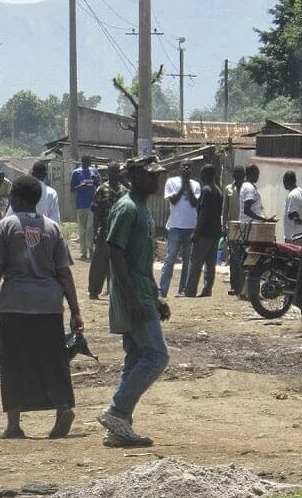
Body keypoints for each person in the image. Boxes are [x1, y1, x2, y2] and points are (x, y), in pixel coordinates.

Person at [0, 175, 84, 439]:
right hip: (49, 305)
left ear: (15, 199)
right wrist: (75, 310)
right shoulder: (53, 228)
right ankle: (63, 407)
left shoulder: (5, 227)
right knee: (54, 360)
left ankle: (14, 424)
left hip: (14, 305)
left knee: (13, 362)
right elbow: (65, 273)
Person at [98, 156, 170, 448]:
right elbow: (115, 252)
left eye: (158, 175)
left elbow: (140, 260)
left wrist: (156, 295)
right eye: (151, 176)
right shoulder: (128, 208)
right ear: (135, 177)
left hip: (142, 291)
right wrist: (131, 298)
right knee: (157, 355)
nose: (157, 181)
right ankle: (117, 411)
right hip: (133, 295)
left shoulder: (142, 209)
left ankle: (119, 428)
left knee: (137, 357)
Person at [158, 161, 200, 298]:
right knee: (170, 259)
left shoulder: (196, 185)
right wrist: (183, 187)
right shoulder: (171, 182)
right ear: (180, 169)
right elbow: (173, 201)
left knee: (187, 261)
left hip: (191, 227)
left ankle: (183, 290)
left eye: (188, 166)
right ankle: (162, 290)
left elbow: (195, 203)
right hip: (175, 226)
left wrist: (188, 185)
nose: (186, 168)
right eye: (184, 166)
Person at [88, 162, 127, 299]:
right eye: (111, 172)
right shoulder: (101, 189)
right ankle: (94, 291)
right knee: (100, 261)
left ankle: (113, 290)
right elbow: (96, 212)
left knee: (117, 261)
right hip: (104, 229)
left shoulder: (124, 191)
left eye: (116, 172)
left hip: (119, 231)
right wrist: (94, 232)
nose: (114, 175)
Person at [184, 165, 222, 298]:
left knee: (195, 262)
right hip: (215, 232)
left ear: (206, 175)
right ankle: (207, 289)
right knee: (210, 264)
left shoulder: (206, 190)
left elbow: (203, 212)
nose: (200, 178)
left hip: (204, 232)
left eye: (202, 175)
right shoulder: (218, 190)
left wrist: (196, 231)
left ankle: (190, 291)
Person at [70, 156, 102, 260]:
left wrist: (95, 181)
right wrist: (81, 186)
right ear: (82, 162)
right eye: (87, 162)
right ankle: (83, 252)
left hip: (92, 204)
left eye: (90, 163)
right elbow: (72, 188)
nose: (88, 165)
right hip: (81, 205)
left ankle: (91, 249)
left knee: (90, 228)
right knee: (82, 229)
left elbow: (99, 185)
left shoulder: (94, 171)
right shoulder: (76, 173)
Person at [223, 166, 245, 296]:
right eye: (236, 174)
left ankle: (242, 286)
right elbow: (224, 209)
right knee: (233, 257)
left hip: (245, 227)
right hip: (232, 227)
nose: (237, 177)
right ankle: (234, 285)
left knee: (242, 257)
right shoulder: (228, 189)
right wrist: (223, 226)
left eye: (240, 174)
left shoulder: (247, 189)